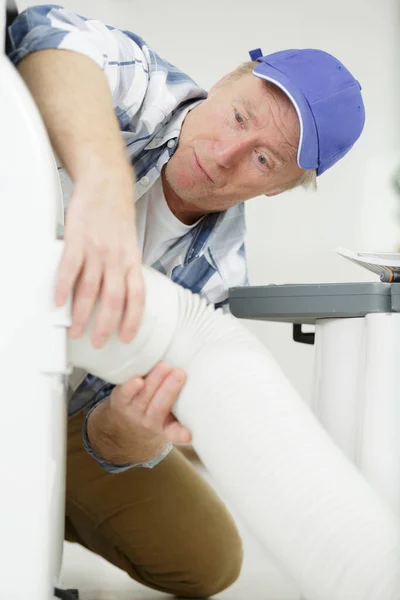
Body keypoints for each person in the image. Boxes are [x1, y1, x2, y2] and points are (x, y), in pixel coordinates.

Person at [7, 4, 365, 597]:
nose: (225, 152)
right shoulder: (145, 88)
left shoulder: (213, 283)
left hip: (57, 408)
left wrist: (128, 429)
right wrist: (104, 184)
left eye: (262, 158)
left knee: (208, 557)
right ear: (225, 80)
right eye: (239, 114)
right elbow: (41, 31)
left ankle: (29, 505)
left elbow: (110, 438)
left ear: (280, 188)